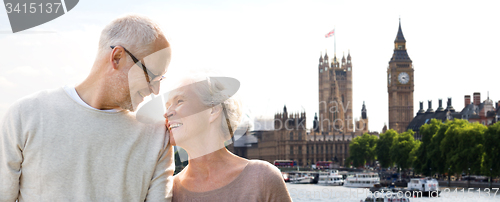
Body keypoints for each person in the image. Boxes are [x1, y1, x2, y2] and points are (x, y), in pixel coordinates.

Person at [0, 14, 174, 201]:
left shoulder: (157, 136)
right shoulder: (25, 115)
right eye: (151, 76)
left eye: (160, 79)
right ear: (116, 58)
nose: (156, 90)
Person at [163, 72, 292, 201]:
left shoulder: (263, 178)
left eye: (179, 101)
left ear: (213, 110)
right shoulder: (168, 192)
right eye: (167, 106)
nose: (167, 113)